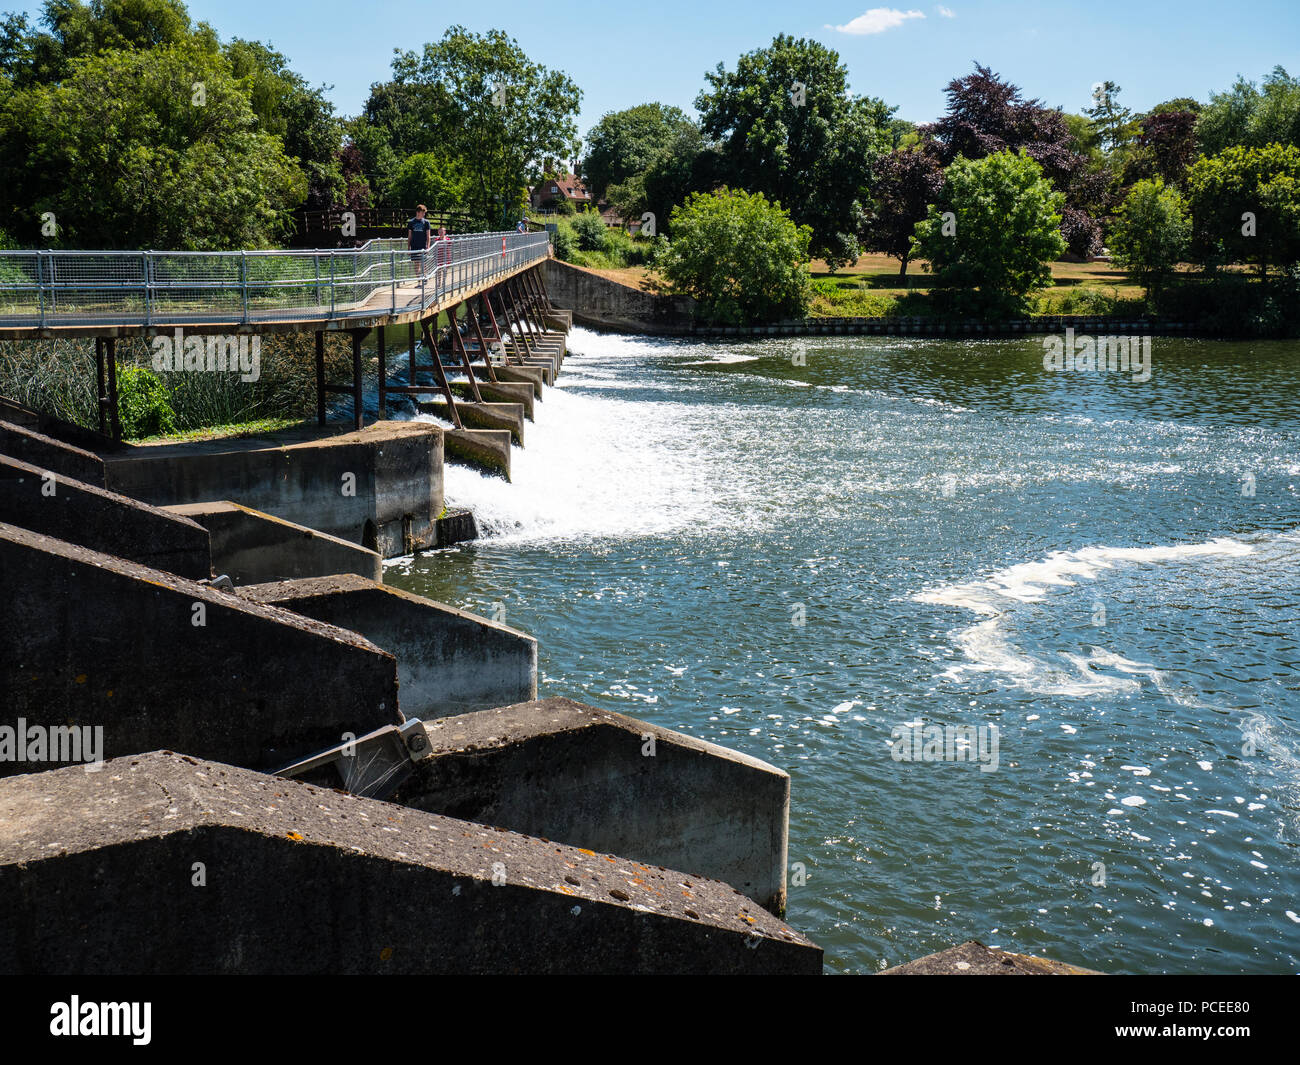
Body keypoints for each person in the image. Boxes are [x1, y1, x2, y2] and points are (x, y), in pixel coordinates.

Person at [407, 205, 432, 272]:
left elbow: (428, 236)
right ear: (418, 212)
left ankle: (424, 278)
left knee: (424, 264)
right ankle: (419, 280)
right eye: (423, 213)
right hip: (414, 246)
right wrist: (408, 248)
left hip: (423, 246)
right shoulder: (411, 222)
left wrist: (428, 247)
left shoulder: (426, 222)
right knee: (416, 264)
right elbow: (409, 236)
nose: (424, 214)